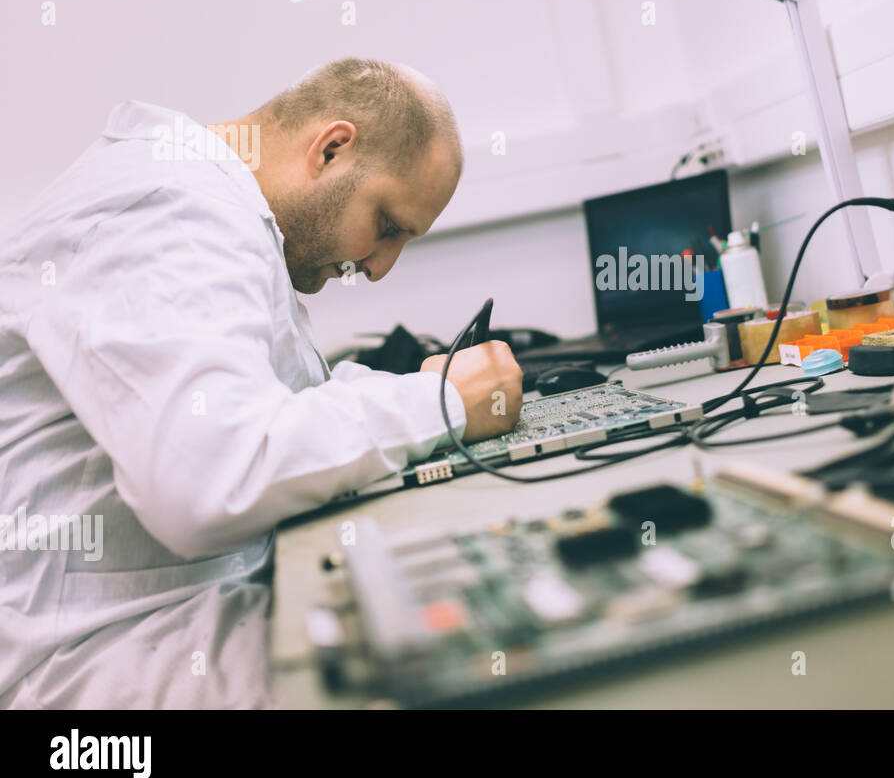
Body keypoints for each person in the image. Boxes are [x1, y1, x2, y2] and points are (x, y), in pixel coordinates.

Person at [0, 58, 523, 707]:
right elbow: (208, 477)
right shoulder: (166, 204)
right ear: (331, 149)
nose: (381, 267)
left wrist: (417, 389)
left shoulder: (211, 207)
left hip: (167, 621)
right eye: (387, 226)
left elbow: (273, 410)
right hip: (95, 670)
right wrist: (439, 402)